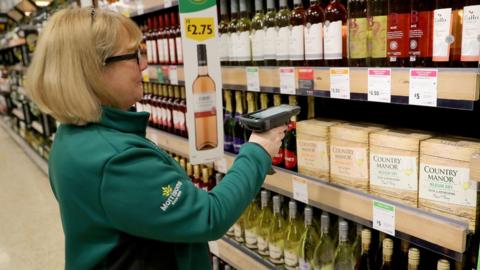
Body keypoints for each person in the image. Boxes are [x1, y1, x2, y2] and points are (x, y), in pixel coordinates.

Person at [25, 7, 286, 270]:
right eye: (134, 54)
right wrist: (258, 150)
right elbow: (209, 216)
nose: (145, 64)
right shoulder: (114, 159)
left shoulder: (72, 135)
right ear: (94, 70)